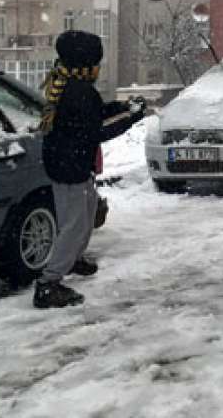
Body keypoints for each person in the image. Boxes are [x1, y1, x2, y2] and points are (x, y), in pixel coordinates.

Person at [35, 30, 146, 309]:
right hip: (70, 167)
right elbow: (95, 132)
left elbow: (92, 116)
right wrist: (131, 118)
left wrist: (120, 106)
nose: (99, 68)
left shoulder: (67, 84)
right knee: (74, 225)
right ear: (86, 64)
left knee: (84, 216)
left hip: (69, 163)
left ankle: (72, 260)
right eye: (97, 63)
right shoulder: (79, 93)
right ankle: (48, 283)